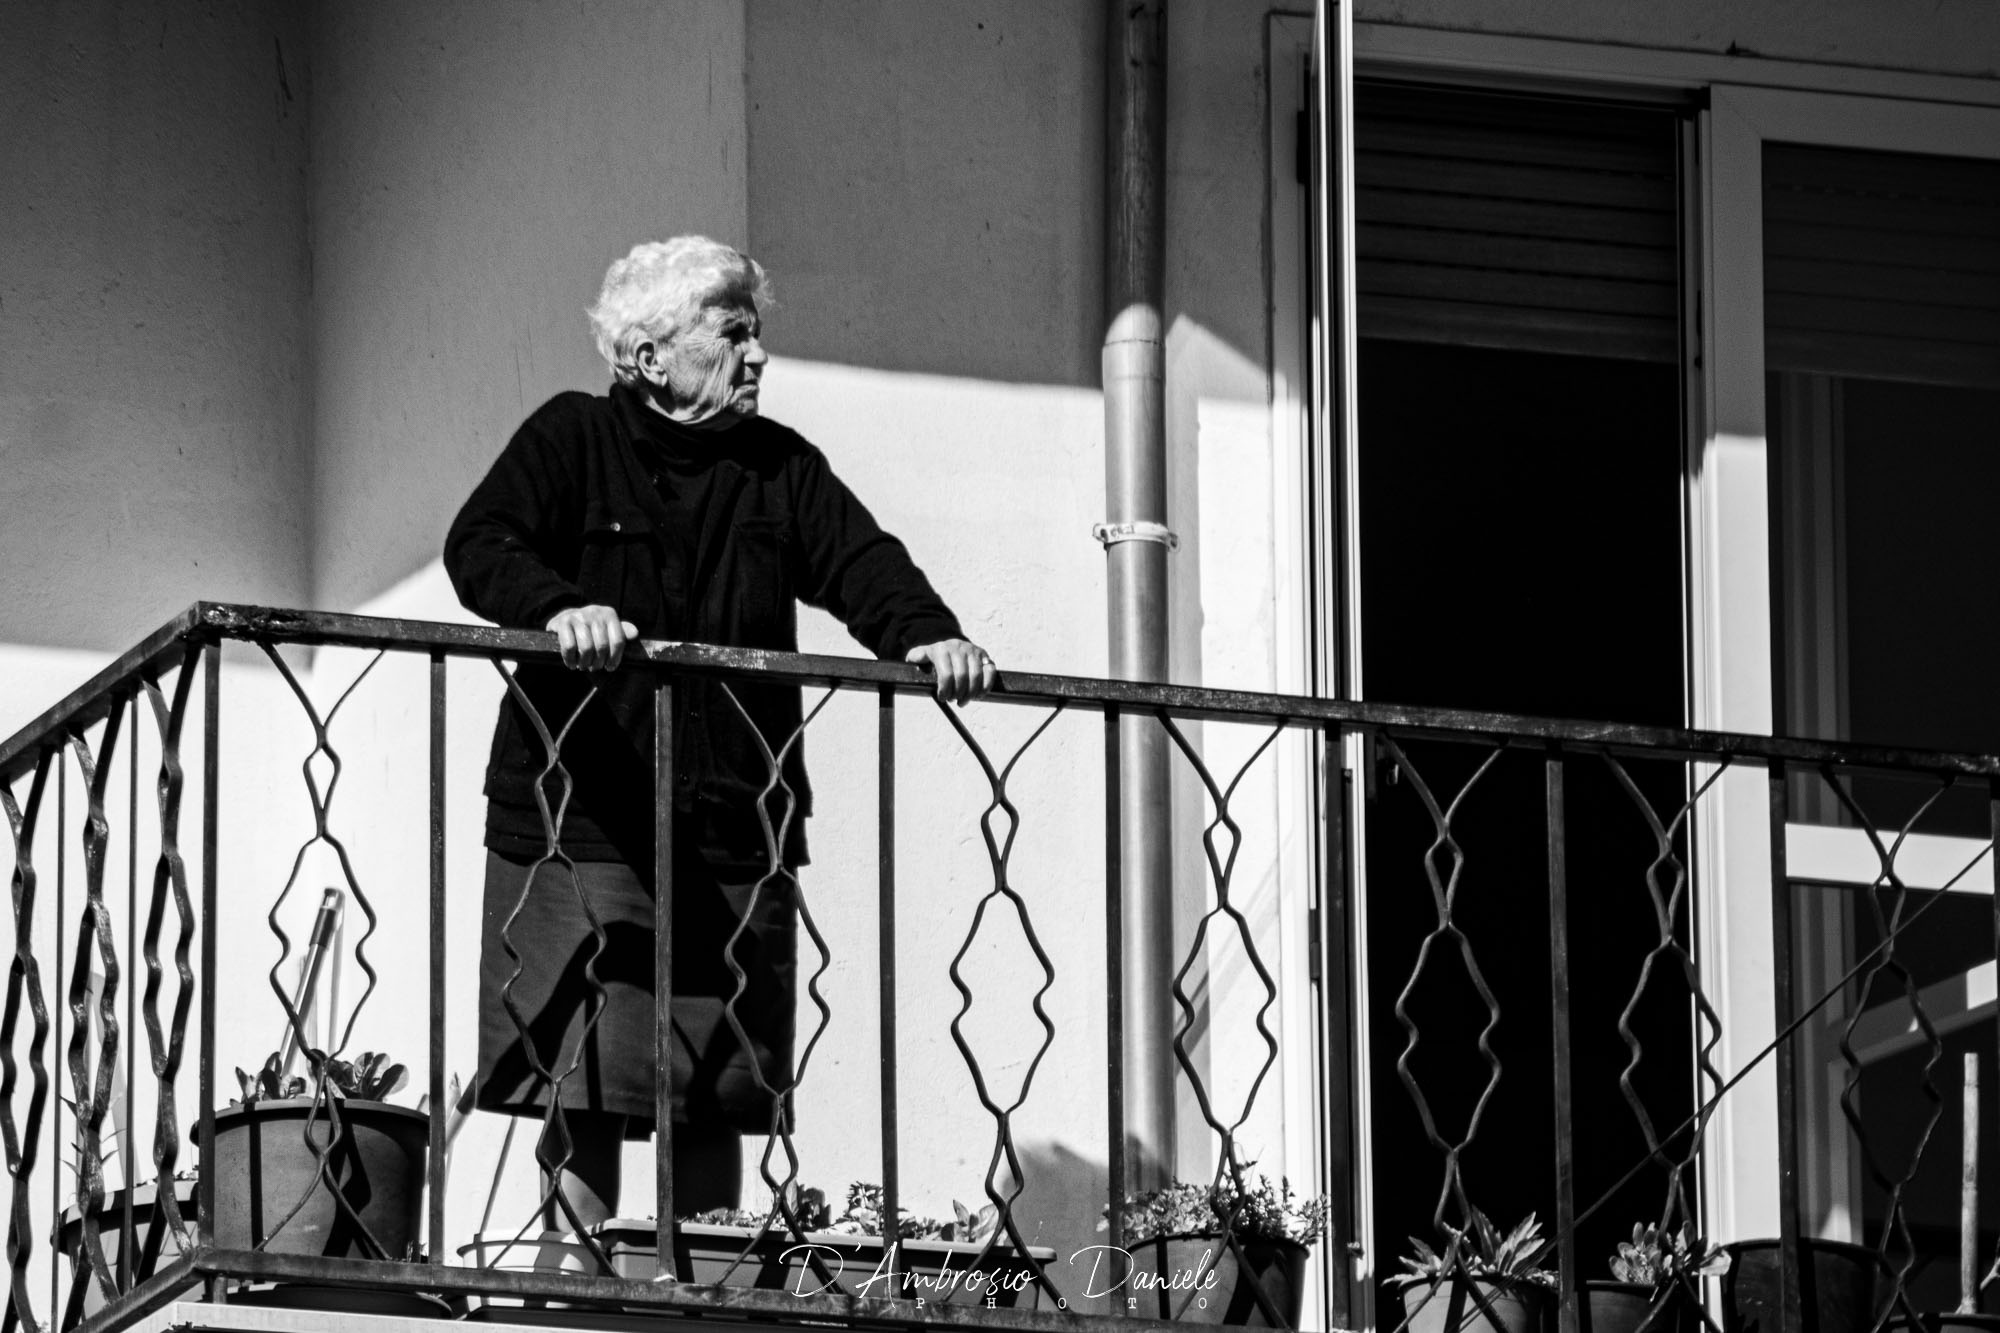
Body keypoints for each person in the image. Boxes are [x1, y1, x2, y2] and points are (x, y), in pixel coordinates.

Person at [443, 236, 996, 1229]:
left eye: (756, 334)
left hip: (732, 825)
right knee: (583, 1084)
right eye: (732, 333)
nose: (756, 356)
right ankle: (573, 1286)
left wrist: (928, 636)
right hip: (580, 815)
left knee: (714, 1093)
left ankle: (699, 1295)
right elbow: (482, 544)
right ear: (647, 356)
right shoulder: (569, 438)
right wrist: (559, 607)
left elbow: (860, 563)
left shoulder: (775, 466)